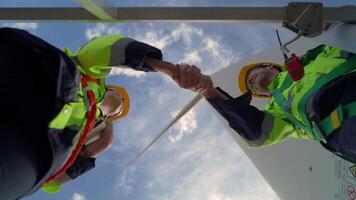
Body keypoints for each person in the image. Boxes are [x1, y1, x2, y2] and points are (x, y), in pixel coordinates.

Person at [0, 27, 208, 200]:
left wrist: (95, 142)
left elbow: (59, 178)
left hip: (38, 144)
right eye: (121, 98)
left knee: (16, 176)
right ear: (111, 89)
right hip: (40, 79)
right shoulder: (88, 72)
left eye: (121, 107)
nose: (120, 103)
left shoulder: (86, 132)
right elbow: (105, 49)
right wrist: (166, 68)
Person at [177, 44, 356, 163]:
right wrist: (208, 91)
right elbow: (257, 134)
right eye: (250, 86)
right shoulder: (276, 109)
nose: (250, 82)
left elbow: (345, 39)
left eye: (251, 75)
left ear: (270, 66)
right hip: (341, 121)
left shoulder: (316, 55)